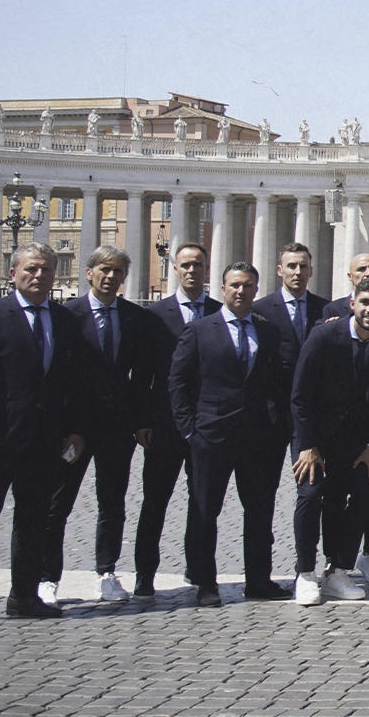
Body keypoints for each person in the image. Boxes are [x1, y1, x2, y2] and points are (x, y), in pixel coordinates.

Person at [0, 244, 94, 629]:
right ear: (13, 273)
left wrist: (76, 430)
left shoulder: (63, 320)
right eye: (31, 269)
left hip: (43, 442)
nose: (40, 276)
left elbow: (74, 383)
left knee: (32, 522)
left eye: (46, 270)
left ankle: (24, 596)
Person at [169, 261, 296, 608]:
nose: (241, 292)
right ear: (223, 289)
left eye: (248, 286)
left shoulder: (267, 332)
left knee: (259, 511)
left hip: (257, 438)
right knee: (204, 510)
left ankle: (258, 579)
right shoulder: (200, 330)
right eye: (235, 285)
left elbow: (277, 382)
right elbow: (179, 381)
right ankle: (205, 582)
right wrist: (189, 428)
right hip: (211, 435)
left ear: (256, 290)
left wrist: (277, 425)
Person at [43, 246, 155, 606]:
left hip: (117, 426)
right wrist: (62, 424)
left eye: (118, 271)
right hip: (73, 426)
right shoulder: (66, 315)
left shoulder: (135, 317)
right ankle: (47, 576)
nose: (111, 277)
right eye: (104, 270)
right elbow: (56, 374)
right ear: (88, 272)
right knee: (58, 502)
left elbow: (142, 376)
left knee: (112, 501)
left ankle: (106, 570)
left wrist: (141, 420)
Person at [288, 278, 369, 606]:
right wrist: (307, 445)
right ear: (352, 303)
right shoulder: (324, 335)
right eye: (365, 302)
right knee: (311, 496)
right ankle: (306, 572)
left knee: (366, 493)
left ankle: (338, 569)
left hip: (359, 440)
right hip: (316, 438)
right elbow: (300, 394)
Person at [136, 241, 220, 598]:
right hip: (163, 423)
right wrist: (141, 420)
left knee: (203, 503)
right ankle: (144, 574)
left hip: (207, 426)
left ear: (206, 268)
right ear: (175, 269)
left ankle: (200, 572)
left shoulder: (220, 311)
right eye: (185, 264)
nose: (191, 270)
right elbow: (141, 374)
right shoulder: (154, 315)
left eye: (198, 264)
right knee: (154, 501)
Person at [252, 242, 328, 346]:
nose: (298, 272)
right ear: (280, 270)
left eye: (303, 266)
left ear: (310, 271)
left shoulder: (325, 308)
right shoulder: (259, 309)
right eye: (292, 266)